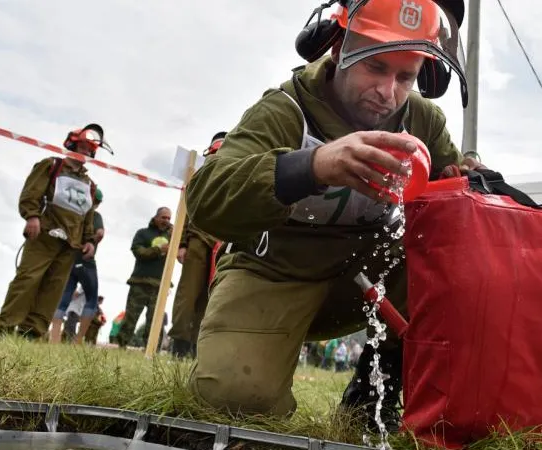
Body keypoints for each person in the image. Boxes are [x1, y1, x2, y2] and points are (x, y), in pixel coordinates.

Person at [183, 0, 481, 431]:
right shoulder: (287, 109)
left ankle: (373, 397)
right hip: (275, 274)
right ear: (339, 49)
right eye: (375, 67)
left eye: (405, 76)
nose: (387, 91)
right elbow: (207, 199)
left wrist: (468, 181)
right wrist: (312, 165)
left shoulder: (421, 120)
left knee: (454, 257)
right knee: (233, 400)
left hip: (366, 281)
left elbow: (455, 194)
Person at [0, 124, 110, 339]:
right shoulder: (51, 166)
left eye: (88, 150)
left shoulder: (89, 184)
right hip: (44, 234)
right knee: (27, 280)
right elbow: (31, 192)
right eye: (81, 147)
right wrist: (32, 216)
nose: (84, 152)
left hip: (70, 244)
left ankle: (32, 332)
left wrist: (89, 240)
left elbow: (88, 215)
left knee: (53, 289)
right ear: (71, 145)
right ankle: (4, 328)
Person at [168, 132, 226, 359]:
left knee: (208, 297)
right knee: (188, 294)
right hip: (197, 240)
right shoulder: (199, 174)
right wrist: (181, 243)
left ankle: (195, 344)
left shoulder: (231, 174)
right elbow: (185, 211)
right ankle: (179, 343)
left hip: (219, 242)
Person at [49, 188, 105, 344]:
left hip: (69, 259)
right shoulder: (95, 215)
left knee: (63, 298)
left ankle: (54, 339)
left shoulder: (74, 211)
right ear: (97, 202)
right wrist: (92, 241)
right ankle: (78, 340)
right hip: (86, 260)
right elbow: (100, 233)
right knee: (92, 299)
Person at [115, 207, 173, 348]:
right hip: (140, 282)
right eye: (163, 217)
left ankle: (151, 348)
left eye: (169, 218)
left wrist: (176, 235)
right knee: (131, 316)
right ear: (156, 218)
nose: (166, 221)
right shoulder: (142, 233)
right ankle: (122, 345)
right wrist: (159, 250)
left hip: (160, 285)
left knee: (155, 320)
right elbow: (139, 252)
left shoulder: (173, 236)